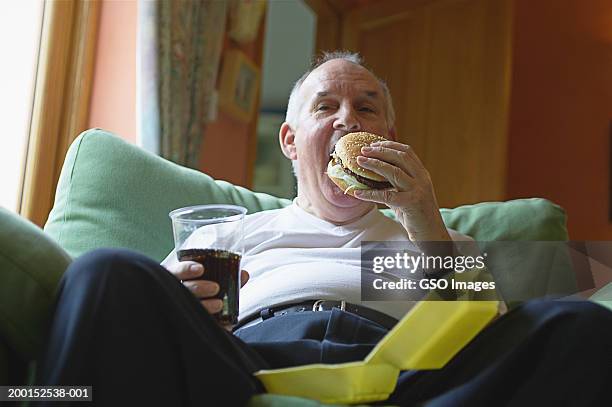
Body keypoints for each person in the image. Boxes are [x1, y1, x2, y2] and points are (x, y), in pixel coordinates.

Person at [37, 52, 612, 406]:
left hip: (409, 375)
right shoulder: (233, 233)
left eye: (367, 108)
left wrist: (422, 216)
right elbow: (147, 317)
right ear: (290, 141)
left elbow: (492, 338)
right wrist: (185, 306)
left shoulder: (431, 235)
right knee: (102, 270)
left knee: (579, 323)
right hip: (244, 364)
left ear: (389, 132)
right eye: (325, 107)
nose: (347, 119)